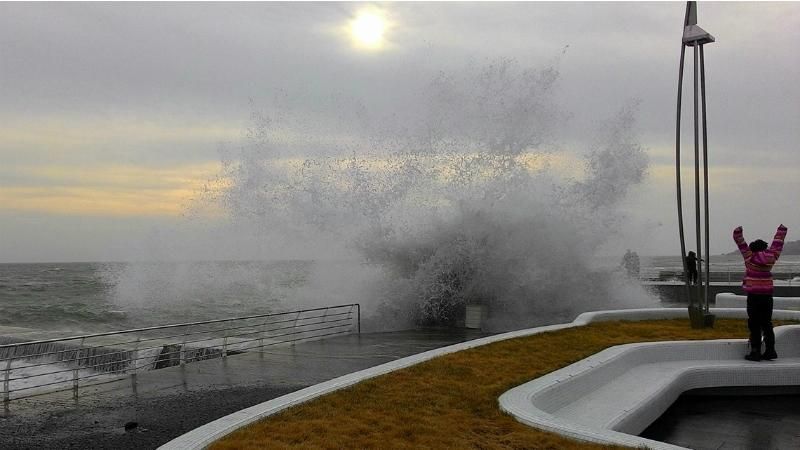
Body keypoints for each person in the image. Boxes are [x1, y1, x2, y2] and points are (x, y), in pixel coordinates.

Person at [733, 224, 788, 361]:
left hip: (754, 296)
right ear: (765, 248)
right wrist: (781, 231)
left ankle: (755, 351)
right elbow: (777, 244)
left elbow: (740, 242)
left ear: (753, 249)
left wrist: (738, 231)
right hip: (767, 296)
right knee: (767, 323)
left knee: (754, 324)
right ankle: (770, 350)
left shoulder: (749, 258)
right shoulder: (772, 257)